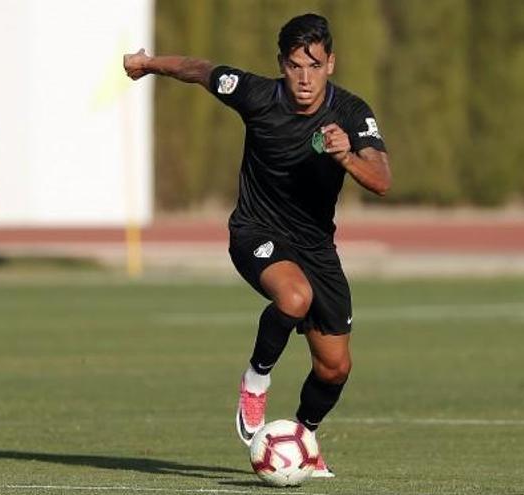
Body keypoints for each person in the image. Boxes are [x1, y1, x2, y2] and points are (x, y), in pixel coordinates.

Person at [124, 13, 391, 477]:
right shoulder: (256, 95)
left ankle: (304, 437)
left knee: (334, 369)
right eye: (293, 65)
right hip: (256, 231)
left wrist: (346, 156)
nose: (303, 78)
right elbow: (200, 69)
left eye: (313, 65)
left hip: (317, 248)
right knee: (293, 296)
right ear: (281, 64)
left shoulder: (351, 112)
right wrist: (148, 64)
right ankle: (256, 380)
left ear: (331, 63)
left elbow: (382, 179)